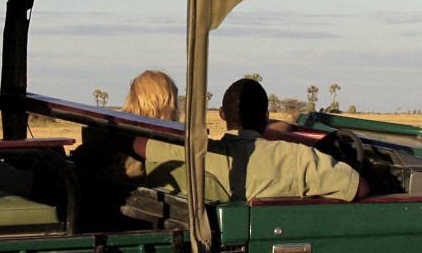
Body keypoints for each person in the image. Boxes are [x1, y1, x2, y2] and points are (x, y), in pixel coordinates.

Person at [141, 77, 363, 201]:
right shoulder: (296, 158)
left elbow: (140, 145)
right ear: (266, 117)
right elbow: (358, 187)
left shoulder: (199, 153)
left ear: (222, 115)